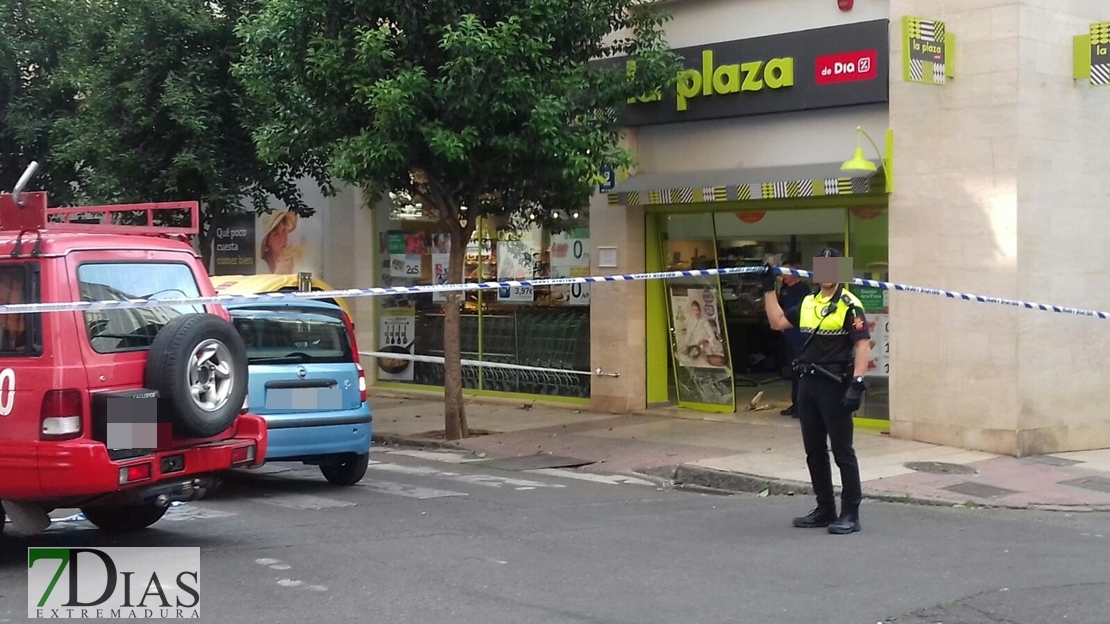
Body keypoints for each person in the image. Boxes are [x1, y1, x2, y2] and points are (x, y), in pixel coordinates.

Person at [760, 248, 871, 535]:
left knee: (843, 451)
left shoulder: (850, 304)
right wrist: (768, 290)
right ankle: (824, 509)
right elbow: (777, 323)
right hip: (808, 384)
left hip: (835, 385)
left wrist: (857, 383)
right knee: (814, 451)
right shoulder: (809, 302)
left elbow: (862, 345)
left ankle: (850, 513)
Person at [776, 260, 811, 417]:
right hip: (788, 336)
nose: (783, 276)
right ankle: (795, 404)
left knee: (801, 372)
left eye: (786, 272)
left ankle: (803, 406)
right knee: (793, 372)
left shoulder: (803, 290)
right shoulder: (785, 290)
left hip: (800, 337)